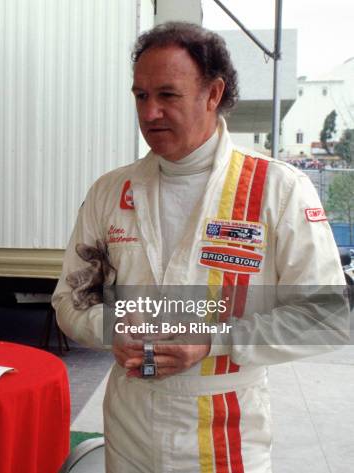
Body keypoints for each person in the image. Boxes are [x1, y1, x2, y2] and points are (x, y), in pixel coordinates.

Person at [52, 22, 346, 473]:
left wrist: (213, 340)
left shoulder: (277, 190)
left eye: (167, 95)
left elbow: (327, 316)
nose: (149, 113)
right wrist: (113, 328)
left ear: (213, 94)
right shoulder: (111, 191)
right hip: (128, 421)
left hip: (221, 430)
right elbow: (70, 302)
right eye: (140, 96)